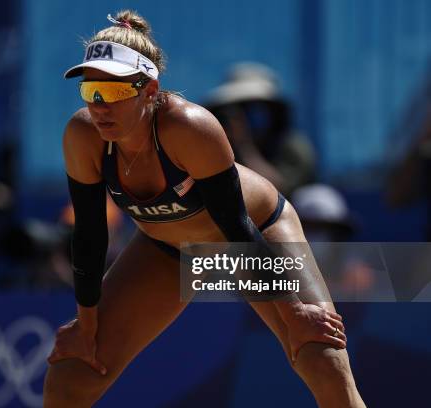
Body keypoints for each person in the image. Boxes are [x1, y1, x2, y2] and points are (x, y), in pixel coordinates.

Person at [44, 10, 365, 407]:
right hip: (169, 249)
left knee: (321, 358)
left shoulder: (190, 127)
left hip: (255, 234)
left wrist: (296, 312)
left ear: (149, 90)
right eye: (91, 90)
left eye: (113, 92)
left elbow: (237, 226)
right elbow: (90, 237)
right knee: (73, 371)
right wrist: (85, 326)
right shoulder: (83, 135)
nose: (99, 106)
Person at [204, 63, 316, 197]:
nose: (242, 116)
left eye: (251, 108)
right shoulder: (220, 146)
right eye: (238, 108)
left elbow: (276, 192)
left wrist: (244, 145)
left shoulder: (293, 147)